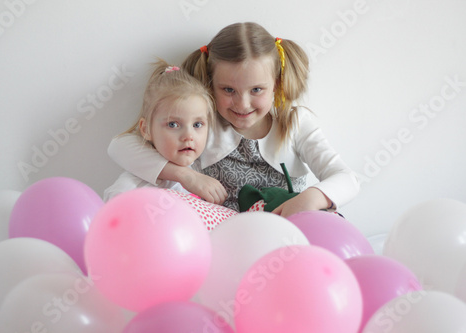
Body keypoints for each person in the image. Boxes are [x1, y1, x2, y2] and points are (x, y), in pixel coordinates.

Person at [108, 22, 359, 217]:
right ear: (210, 84)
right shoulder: (203, 123)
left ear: (277, 84)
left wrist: (312, 197)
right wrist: (187, 176)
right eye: (228, 90)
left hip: (283, 235)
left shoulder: (295, 123)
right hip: (223, 241)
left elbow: (346, 178)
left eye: (257, 90)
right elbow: (120, 146)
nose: (242, 104)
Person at [104, 59, 238, 230]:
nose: (188, 136)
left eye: (197, 125)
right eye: (173, 124)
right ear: (146, 129)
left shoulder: (201, 168)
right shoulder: (133, 187)